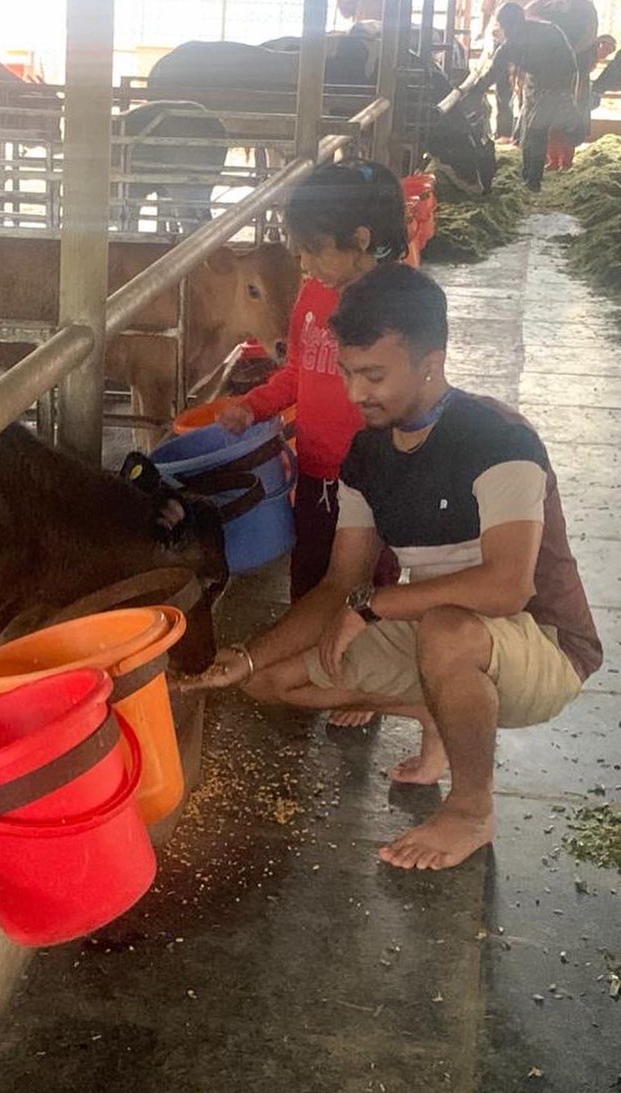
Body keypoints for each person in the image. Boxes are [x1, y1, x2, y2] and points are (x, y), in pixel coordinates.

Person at [184, 265, 602, 872]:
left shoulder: (499, 439)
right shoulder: (367, 455)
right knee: (269, 679)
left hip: (542, 642)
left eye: (374, 375)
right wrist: (246, 657)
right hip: (439, 632)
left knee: (447, 631)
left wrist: (375, 606)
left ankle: (471, 809)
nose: (356, 393)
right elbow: (340, 583)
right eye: (348, 372)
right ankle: (443, 708)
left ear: (431, 363)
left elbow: (507, 586)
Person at [217, 160, 406, 727]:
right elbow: (299, 373)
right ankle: (312, 657)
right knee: (311, 571)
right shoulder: (314, 295)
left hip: (373, 476)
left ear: (360, 240)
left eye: (312, 250)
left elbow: (405, 397)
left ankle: (364, 681)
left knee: (368, 580)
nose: (303, 263)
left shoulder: (395, 305)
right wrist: (254, 405)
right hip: (317, 469)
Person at [474, 3, 584, 189]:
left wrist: (565, 91)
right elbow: (495, 70)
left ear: (518, 21)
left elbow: (569, 64)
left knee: (536, 129)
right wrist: (476, 89)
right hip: (535, 81)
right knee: (527, 126)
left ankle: (533, 180)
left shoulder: (546, 32)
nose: (508, 30)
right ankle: (528, 174)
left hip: (557, 81)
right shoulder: (513, 42)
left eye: (508, 25)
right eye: (505, 25)